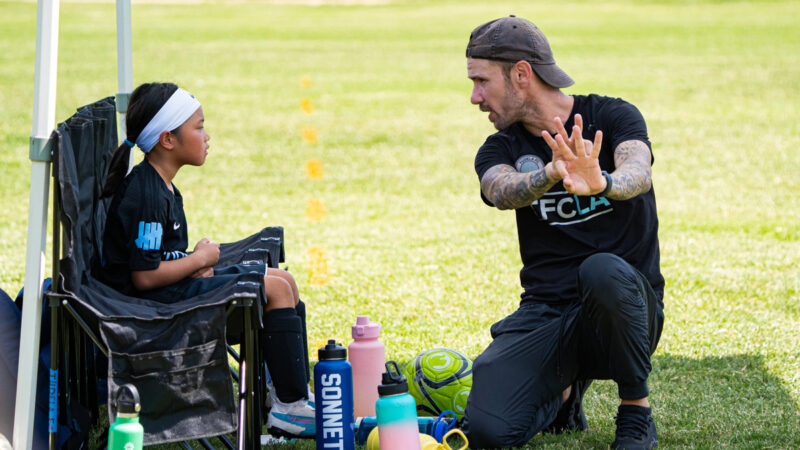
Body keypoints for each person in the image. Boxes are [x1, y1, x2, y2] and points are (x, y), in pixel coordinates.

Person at [461, 16, 665, 449]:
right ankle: (565, 396)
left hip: (626, 309)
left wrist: (603, 183)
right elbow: (501, 189)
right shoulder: (502, 146)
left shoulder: (612, 115)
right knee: (486, 431)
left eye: (482, 81)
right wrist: (551, 172)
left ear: (521, 74)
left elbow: (638, 171)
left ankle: (635, 412)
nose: (475, 97)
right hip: (546, 313)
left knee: (603, 271)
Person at [98, 82, 315, 438]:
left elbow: (154, 258)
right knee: (274, 289)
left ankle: (289, 395)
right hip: (154, 311)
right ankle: (288, 410)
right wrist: (197, 258)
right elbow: (144, 277)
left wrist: (191, 262)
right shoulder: (147, 193)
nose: (207, 135)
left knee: (282, 281)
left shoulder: (160, 183)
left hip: (167, 293)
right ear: (168, 139)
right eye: (198, 127)